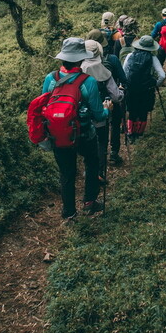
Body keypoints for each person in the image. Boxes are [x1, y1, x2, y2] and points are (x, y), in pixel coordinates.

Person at [42, 38, 113, 220]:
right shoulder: (88, 81)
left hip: (59, 135)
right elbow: (98, 115)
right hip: (84, 134)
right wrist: (107, 110)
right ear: (81, 59)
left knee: (66, 173)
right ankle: (89, 202)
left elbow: (43, 108)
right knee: (91, 163)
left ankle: (69, 213)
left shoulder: (50, 79)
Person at [82, 40, 124, 180]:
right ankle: (99, 172)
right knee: (101, 142)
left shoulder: (78, 70)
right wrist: (122, 93)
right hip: (100, 115)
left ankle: (87, 169)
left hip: (81, 117)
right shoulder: (103, 71)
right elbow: (116, 96)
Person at [86, 28, 127, 164]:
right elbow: (124, 79)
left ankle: (95, 158)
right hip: (111, 96)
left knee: (97, 129)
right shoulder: (113, 59)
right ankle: (114, 153)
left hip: (90, 103)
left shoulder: (81, 65)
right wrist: (120, 90)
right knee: (115, 123)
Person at [122, 35, 166, 142]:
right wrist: (155, 84)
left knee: (132, 111)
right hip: (146, 90)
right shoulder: (152, 58)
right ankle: (139, 133)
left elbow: (124, 72)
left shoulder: (130, 55)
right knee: (143, 111)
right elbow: (162, 75)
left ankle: (131, 134)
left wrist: (126, 84)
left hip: (131, 89)